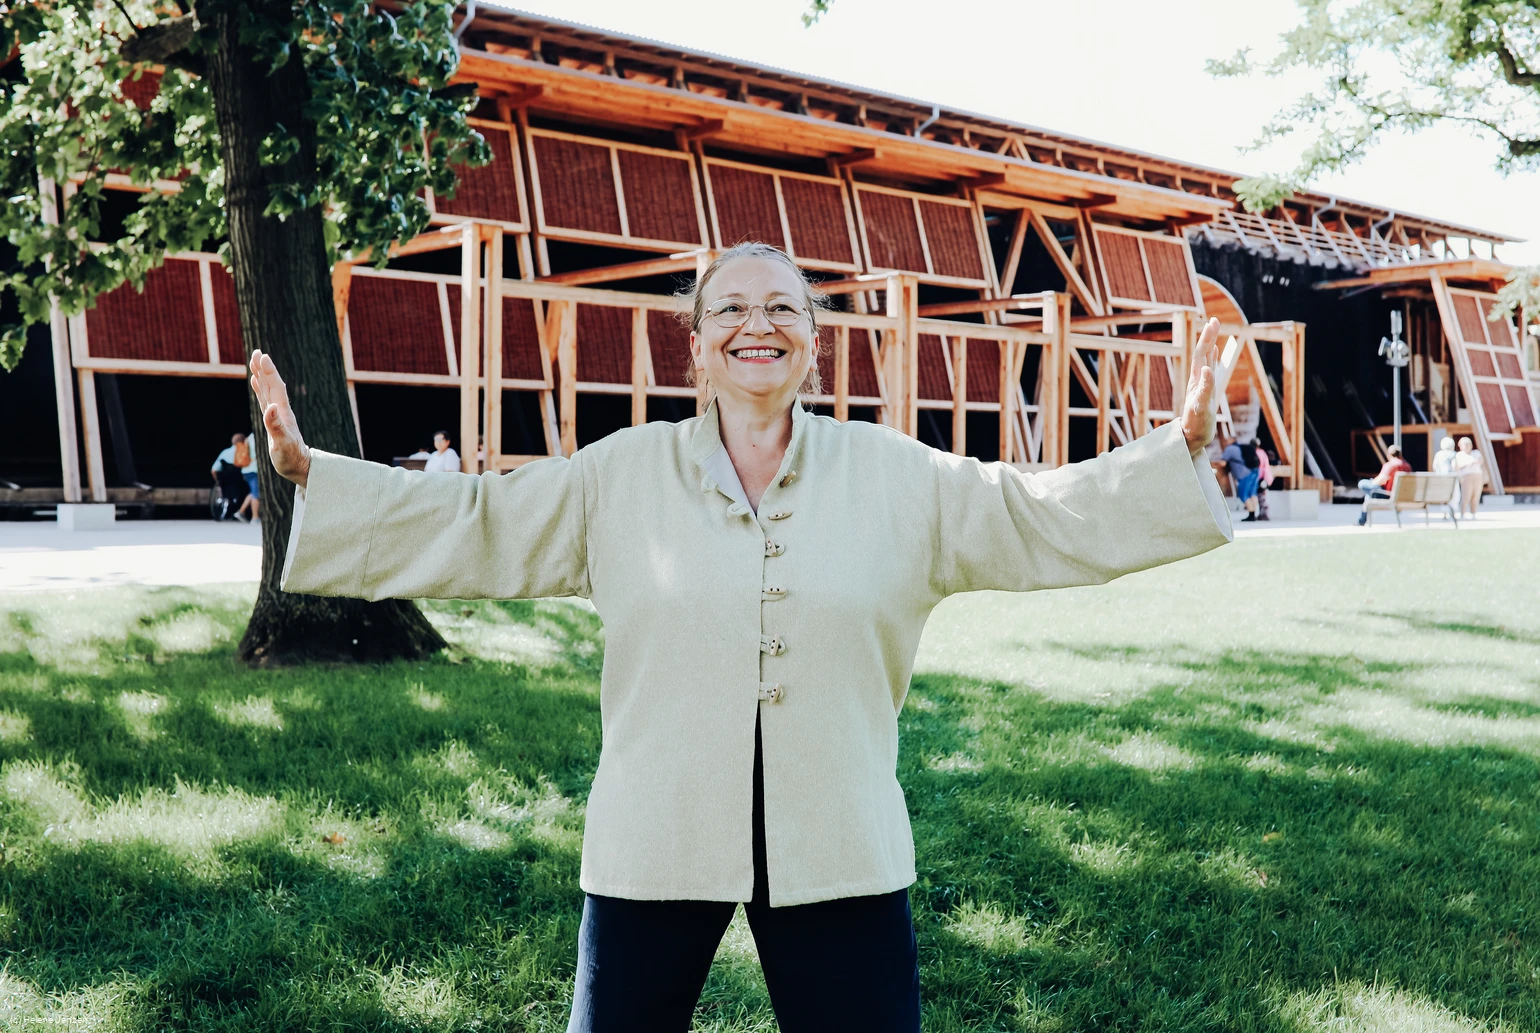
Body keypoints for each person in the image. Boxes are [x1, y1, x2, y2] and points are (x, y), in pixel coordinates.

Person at [249, 242, 1232, 1033]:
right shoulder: (618, 477)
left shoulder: (901, 479)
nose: (756, 324)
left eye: (782, 309)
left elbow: (1033, 513)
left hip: (839, 839)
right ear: (695, 342)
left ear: (813, 342)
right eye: (730, 308)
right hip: (652, 835)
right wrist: (314, 475)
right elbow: (480, 521)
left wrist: (1172, 452)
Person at [1356, 444, 1412, 526]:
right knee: (1369, 495)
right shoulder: (1407, 466)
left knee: (1363, 484)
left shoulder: (1391, 465)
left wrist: (1372, 482)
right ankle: (1361, 520)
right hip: (1402, 495)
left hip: (1388, 495)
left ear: (1389, 455)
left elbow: (1381, 480)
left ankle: (1362, 521)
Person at [210, 432, 257, 522]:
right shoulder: (247, 451)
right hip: (242, 481)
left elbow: (214, 470)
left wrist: (219, 482)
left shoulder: (225, 453)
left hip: (227, 484)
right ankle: (248, 514)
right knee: (254, 490)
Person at [1220, 434, 1261, 521]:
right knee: (1252, 493)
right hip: (1254, 471)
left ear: (1232, 440)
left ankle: (1251, 515)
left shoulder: (1230, 449)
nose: (1226, 441)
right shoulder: (1242, 447)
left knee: (1243, 494)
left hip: (1244, 474)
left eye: (1227, 440)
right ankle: (1256, 513)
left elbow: (1222, 463)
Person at [1454, 436, 1486, 518]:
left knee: (1476, 495)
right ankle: (1463, 513)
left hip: (1477, 475)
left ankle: (1473, 513)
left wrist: (1475, 462)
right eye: (1465, 444)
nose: (1467, 446)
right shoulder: (1459, 455)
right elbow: (1457, 467)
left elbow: (1481, 461)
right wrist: (1469, 464)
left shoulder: (1476, 453)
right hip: (1466, 476)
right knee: (1466, 495)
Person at [1255, 443, 1273, 521]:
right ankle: (1263, 513)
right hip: (1265, 476)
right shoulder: (1262, 452)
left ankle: (1264, 514)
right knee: (1263, 496)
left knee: (1261, 496)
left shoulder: (1256, 453)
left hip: (1260, 476)